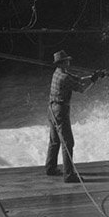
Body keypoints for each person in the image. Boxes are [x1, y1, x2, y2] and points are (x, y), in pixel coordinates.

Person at [45, 50, 105, 182]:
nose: (69, 62)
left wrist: (94, 76)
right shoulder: (64, 77)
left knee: (55, 141)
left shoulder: (58, 73)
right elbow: (82, 89)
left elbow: (78, 79)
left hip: (51, 109)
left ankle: (50, 168)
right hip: (60, 111)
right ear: (63, 62)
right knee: (68, 143)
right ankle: (69, 175)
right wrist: (94, 81)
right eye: (67, 61)